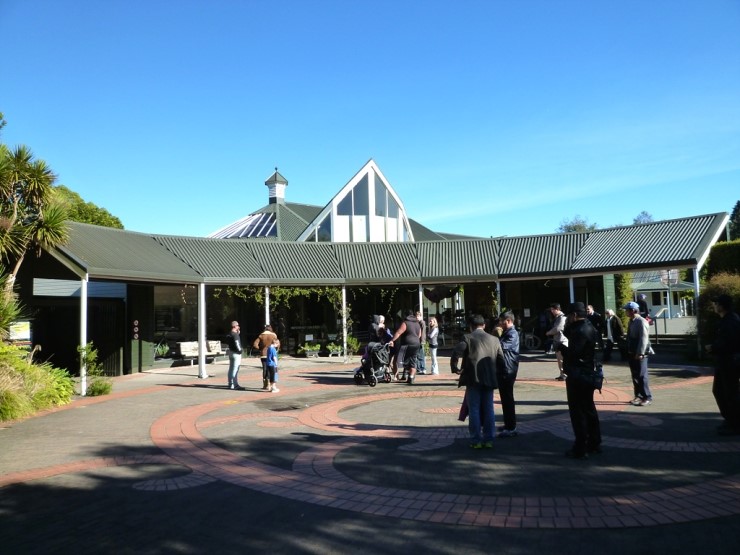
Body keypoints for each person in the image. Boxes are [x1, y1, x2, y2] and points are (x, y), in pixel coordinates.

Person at [451, 314, 504, 449]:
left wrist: (455, 368)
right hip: (490, 378)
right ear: (484, 325)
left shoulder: (468, 338)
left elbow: (457, 352)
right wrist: (500, 374)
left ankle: (476, 440)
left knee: (474, 409)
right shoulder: (494, 340)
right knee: (489, 409)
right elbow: (501, 359)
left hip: (473, 378)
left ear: (471, 326)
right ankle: (489, 439)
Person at [559, 302, 602, 459]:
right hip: (588, 373)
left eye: (569, 316)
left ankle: (580, 447)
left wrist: (561, 348)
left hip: (578, 375)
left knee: (578, 412)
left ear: (574, 315)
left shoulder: (580, 331)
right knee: (589, 409)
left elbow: (573, 353)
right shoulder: (588, 326)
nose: (568, 319)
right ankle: (594, 442)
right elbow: (568, 333)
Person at [706, 294, 740, 436]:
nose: (714, 306)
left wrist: (713, 348)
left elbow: (729, 343)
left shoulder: (730, 321)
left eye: (716, 303)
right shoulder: (728, 319)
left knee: (729, 392)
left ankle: (735, 423)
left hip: (730, 362)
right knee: (721, 391)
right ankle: (730, 420)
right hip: (726, 361)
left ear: (721, 306)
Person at [624, 301, 653, 406]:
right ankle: (638, 396)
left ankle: (647, 397)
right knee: (635, 375)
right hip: (632, 351)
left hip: (641, 353)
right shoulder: (631, 321)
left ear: (633, 311)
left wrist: (640, 353)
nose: (625, 312)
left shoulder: (642, 321)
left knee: (642, 375)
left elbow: (644, 338)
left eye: (627, 310)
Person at [496, 311, 520, 438]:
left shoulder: (512, 333)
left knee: (508, 399)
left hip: (508, 369)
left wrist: (495, 337)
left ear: (508, 321)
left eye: (502, 321)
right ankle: (508, 424)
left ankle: (511, 427)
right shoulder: (507, 332)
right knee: (505, 399)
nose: (500, 323)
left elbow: (500, 347)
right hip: (504, 368)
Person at [389, 309, 422, 384]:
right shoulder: (417, 323)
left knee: (403, 360)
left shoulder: (406, 323)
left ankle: (407, 373)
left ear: (405, 315)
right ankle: (411, 377)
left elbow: (399, 332)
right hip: (416, 344)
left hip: (407, 344)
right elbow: (419, 335)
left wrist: (392, 340)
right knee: (413, 362)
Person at [253, 325, 280, 390]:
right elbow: (278, 344)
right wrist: (276, 350)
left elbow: (255, 344)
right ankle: (271, 385)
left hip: (263, 354)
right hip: (271, 355)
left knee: (265, 369)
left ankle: (265, 384)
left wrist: (261, 349)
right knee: (271, 370)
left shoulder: (261, 335)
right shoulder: (273, 335)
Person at [545, 303, 568, 380]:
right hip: (558, 341)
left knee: (562, 359)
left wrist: (549, 333)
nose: (552, 311)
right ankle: (562, 374)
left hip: (562, 341)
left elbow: (558, 328)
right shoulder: (557, 318)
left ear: (557, 309)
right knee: (559, 359)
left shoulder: (562, 318)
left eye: (553, 309)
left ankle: (564, 375)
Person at [225, 321, 244, 390]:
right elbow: (237, 343)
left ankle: (230, 383)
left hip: (231, 352)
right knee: (235, 369)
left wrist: (238, 333)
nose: (239, 327)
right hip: (236, 353)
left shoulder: (229, 334)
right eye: (238, 325)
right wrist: (240, 351)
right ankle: (234, 384)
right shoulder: (235, 335)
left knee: (231, 368)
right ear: (235, 326)